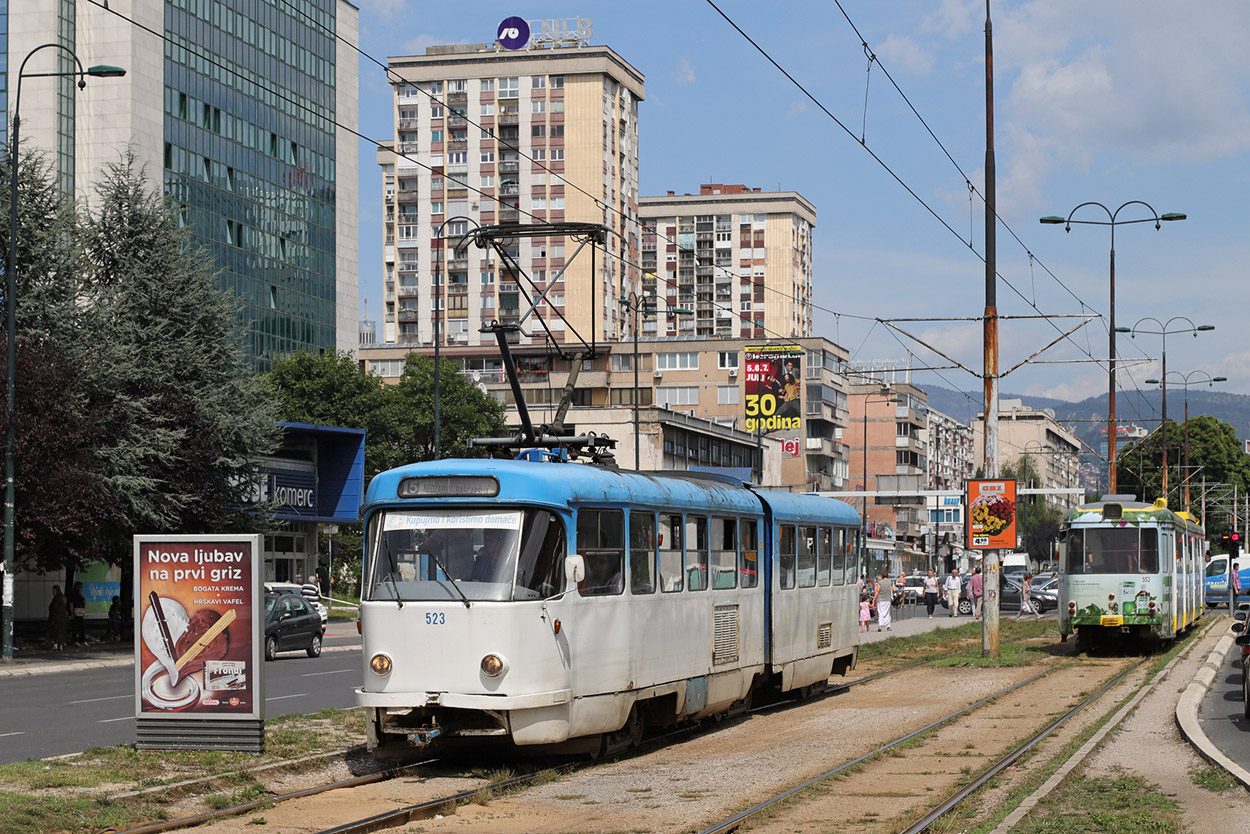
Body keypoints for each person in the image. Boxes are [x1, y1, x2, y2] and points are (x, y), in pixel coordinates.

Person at [47, 585, 70, 651]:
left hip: (56, 617)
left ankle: (55, 645)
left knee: (55, 631)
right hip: (63, 617)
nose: (52, 592)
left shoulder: (56, 598)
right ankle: (61, 646)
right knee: (61, 631)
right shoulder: (63, 597)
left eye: (53, 590)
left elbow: (53, 608)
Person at [68, 581, 87, 646]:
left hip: (79, 612)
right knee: (75, 627)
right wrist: (72, 613)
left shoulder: (79, 595)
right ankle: (76, 640)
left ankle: (81, 640)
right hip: (76, 612)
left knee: (80, 627)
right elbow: (71, 604)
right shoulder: (74, 594)